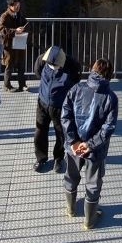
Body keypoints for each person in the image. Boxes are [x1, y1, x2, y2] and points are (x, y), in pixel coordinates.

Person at [61, 58, 118, 230]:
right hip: (96, 150)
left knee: (71, 176)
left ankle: (71, 209)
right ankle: (89, 220)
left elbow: (65, 115)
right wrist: (90, 144)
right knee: (93, 183)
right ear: (110, 75)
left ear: (93, 71)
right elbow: (108, 128)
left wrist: (73, 141)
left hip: (74, 147)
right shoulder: (111, 98)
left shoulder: (76, 88)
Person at [32, 45, 81, 173]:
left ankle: (58, 157)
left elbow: (76, 81)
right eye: (50, 65)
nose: (53, 67)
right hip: (42, 102)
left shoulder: (72, 65)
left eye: (56, 66)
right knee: (40, 130)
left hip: (60, 106)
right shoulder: (43, 59)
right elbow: (37, 71)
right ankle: (41, 158)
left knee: (61, 133)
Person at [0, 0, 28, 92]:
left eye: (19, 5)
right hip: (9, 44)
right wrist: (15, 31)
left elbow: (25, 23)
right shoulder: (5, 16)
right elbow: (1, 29)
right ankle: (7, 85)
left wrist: (24, 28)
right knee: (9, 64)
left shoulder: (19, 15)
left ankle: (22, 84)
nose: (18, 7)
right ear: (10, 6)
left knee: (21, 64)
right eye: (15, 5)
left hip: (19, 42)